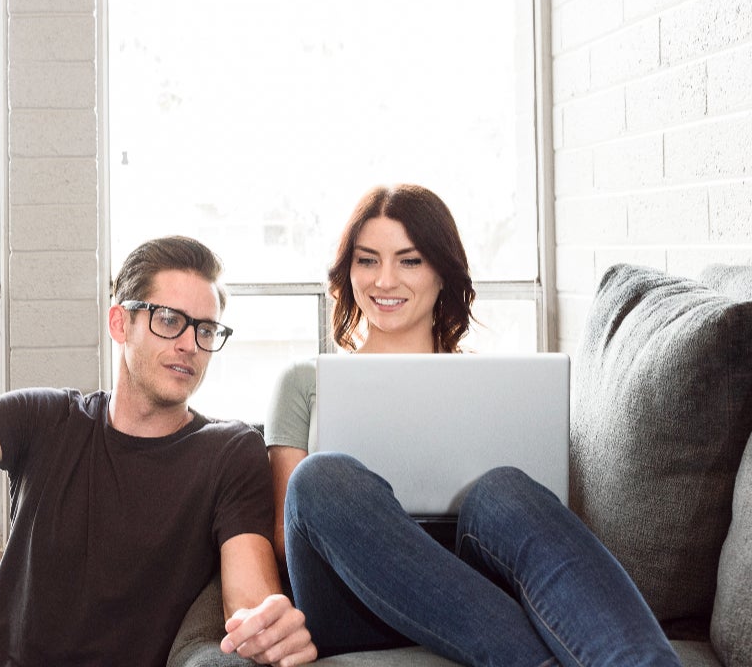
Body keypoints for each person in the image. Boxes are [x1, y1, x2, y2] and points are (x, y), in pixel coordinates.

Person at [0, 235, 318, 667]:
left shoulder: (230, 452)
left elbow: (249, 603)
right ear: (121, 324)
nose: (189, 343)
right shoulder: (45, 417)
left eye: (205, 330)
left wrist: (269, 627)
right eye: (168, 319)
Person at [267, 184, 681, 666]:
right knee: (321, 478)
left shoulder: (492, 386)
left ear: (443, 273)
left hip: (473, 584)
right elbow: (285, 533)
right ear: (347, 271)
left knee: (503, 488)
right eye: (367, 260)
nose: (385, 280)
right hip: (353, 595)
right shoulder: (303, 381)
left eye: (410, 260)